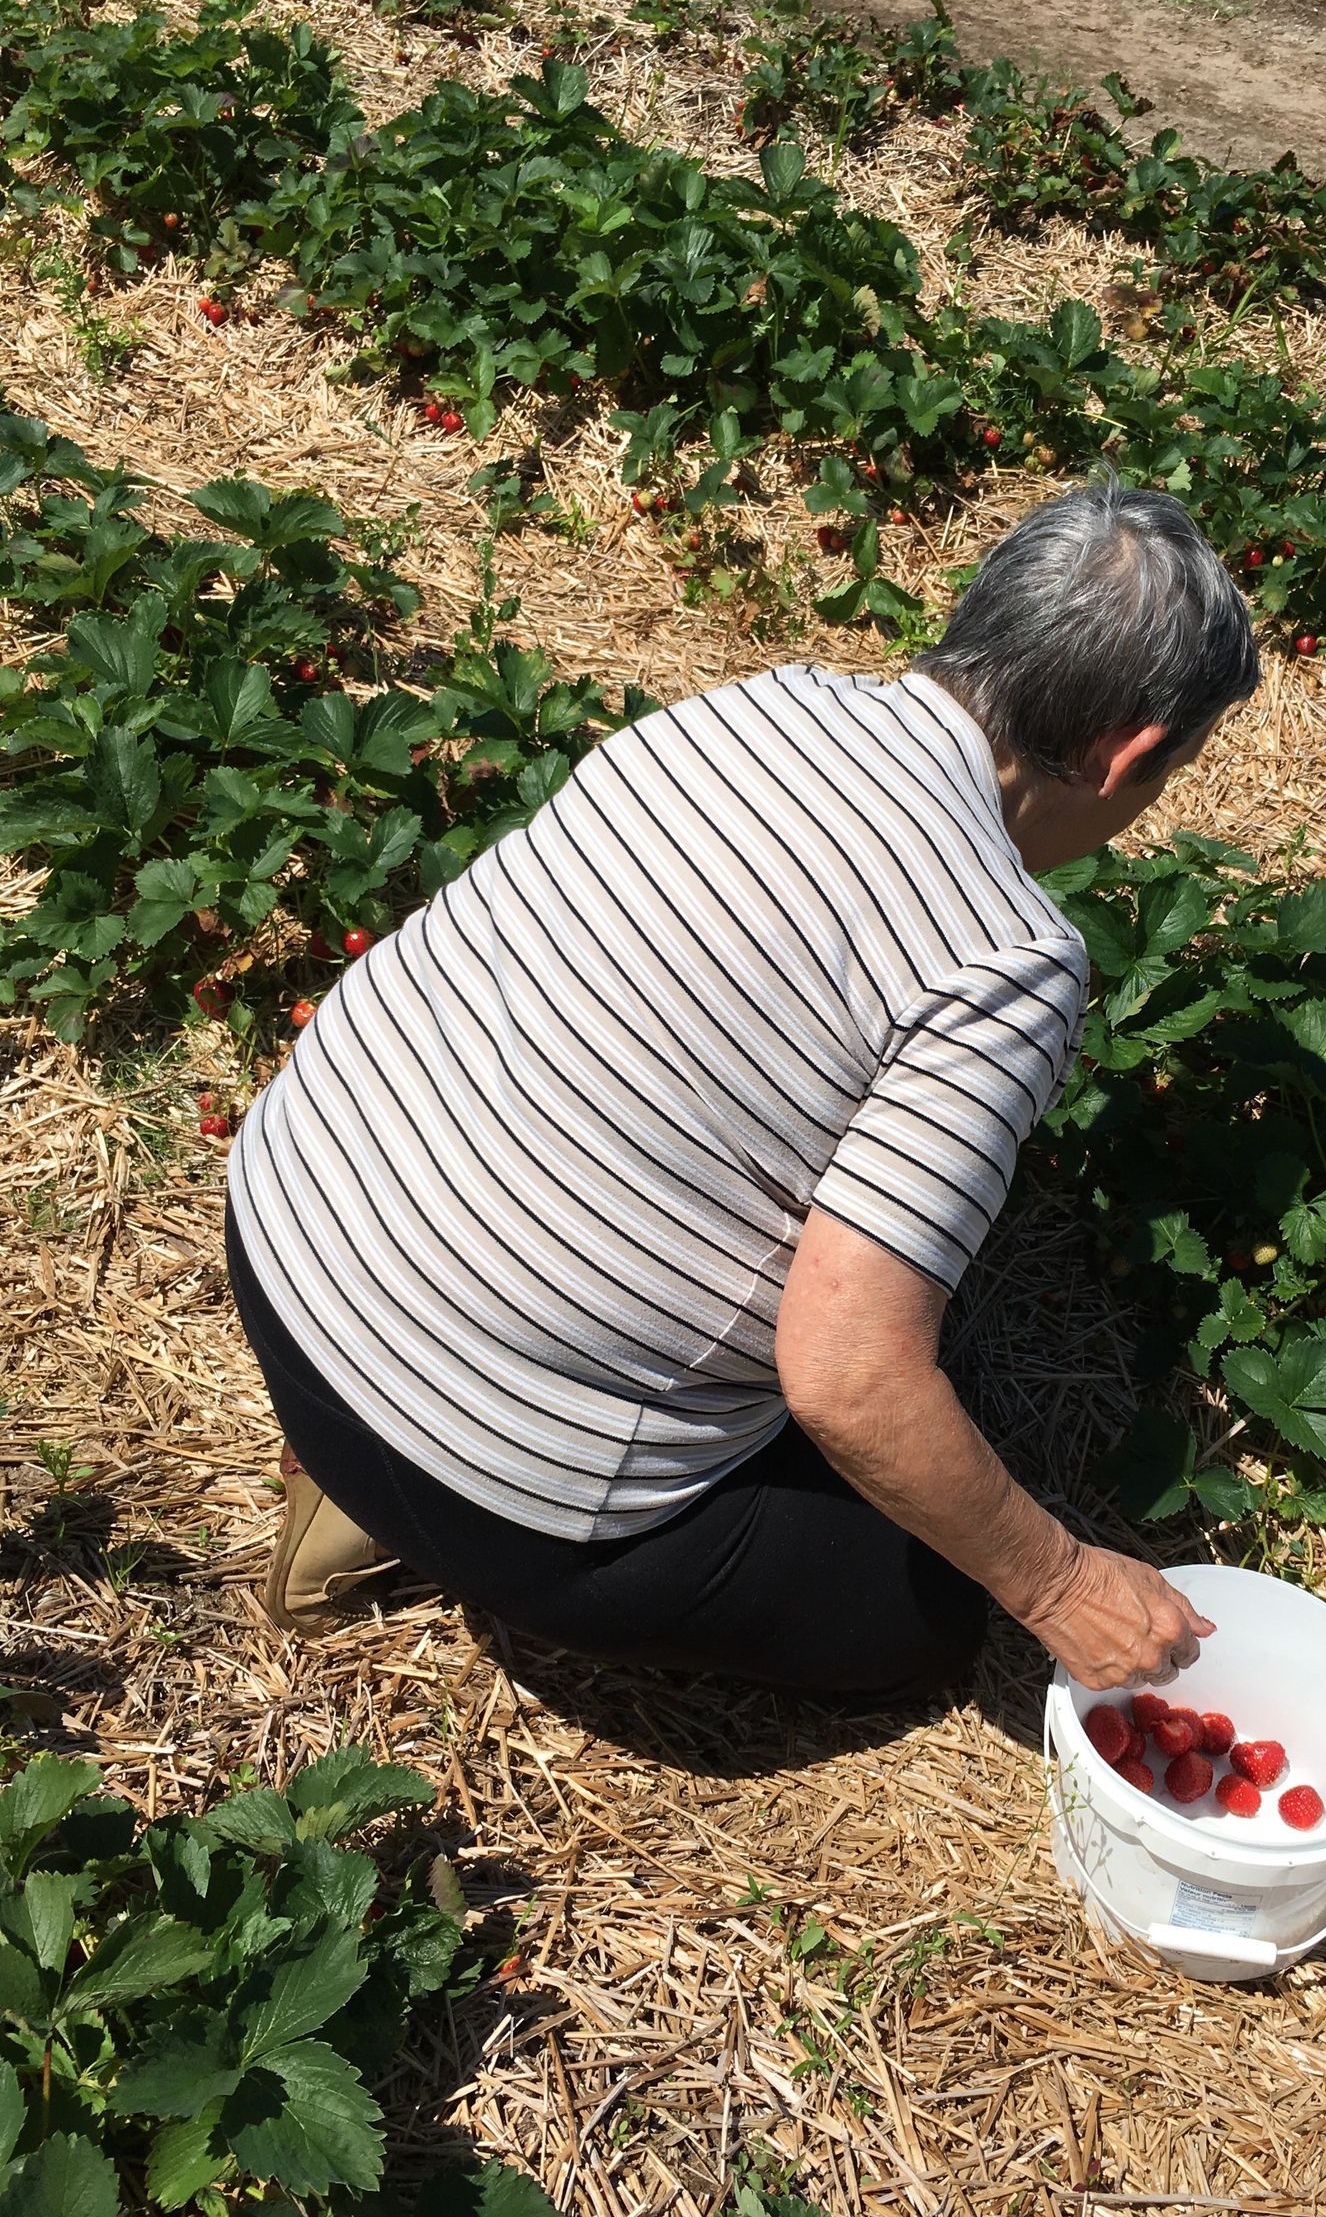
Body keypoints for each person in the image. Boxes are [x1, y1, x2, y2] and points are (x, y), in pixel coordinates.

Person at [226, 476, 1259, 1703]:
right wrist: (1059, 1582)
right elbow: (847, 1378)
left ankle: (359, 1460)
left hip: (290, 1228)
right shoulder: (1004, 958)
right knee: (919, 1614)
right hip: (487, 1465)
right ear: (1127, 753)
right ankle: (415, 1507)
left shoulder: (763, 703)